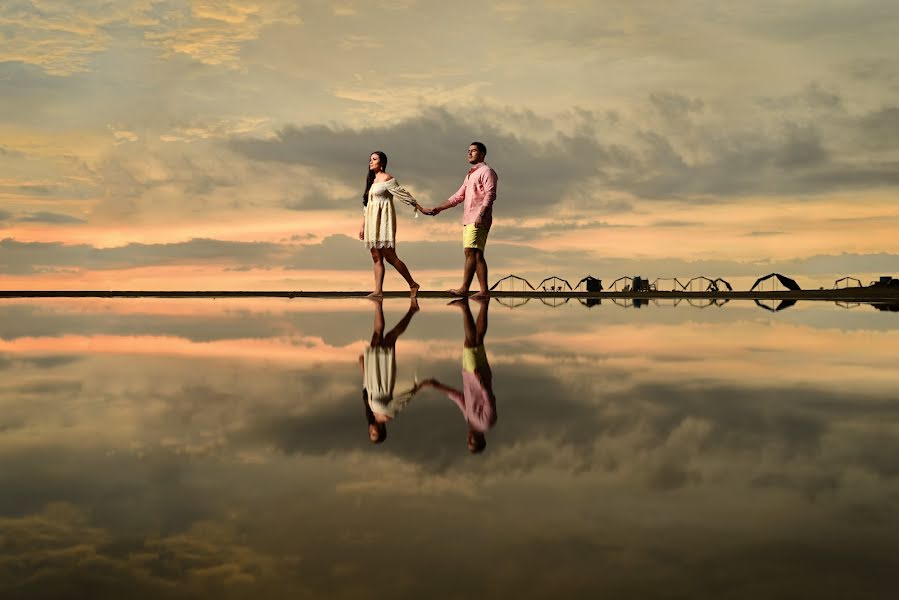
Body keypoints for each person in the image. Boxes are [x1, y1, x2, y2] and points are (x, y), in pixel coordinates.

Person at [419, 297, 497, 453]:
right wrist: (480, 381)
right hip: (477, 376)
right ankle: (464, 306)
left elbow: (459, 398)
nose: (468, 439)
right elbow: (489, 399)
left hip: (473, 375)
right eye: (472, 442)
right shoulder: (486, 423)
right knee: (469, 343)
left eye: (468, 442)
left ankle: (484, 305)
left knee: (478, 341)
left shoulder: (470, 420)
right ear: (481, 440)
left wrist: (436, 385)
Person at [421, 142, 497, 298]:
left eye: (473, 151)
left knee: (471, 252)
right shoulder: (470, 174)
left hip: (479, 217)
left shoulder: (487, 171)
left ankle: (464, 288)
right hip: (469, 218)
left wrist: (481, 215)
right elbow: (458, 197)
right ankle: (484, 291)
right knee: (475, 254)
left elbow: (490, 194)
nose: (469, 153)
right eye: (468, 151)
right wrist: (438, 208)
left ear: (482, 154)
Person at [359, 297, 426, 443]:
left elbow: (367, 390)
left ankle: (380, 303)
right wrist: (418, 387)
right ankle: (409, 310)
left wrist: (363, 367)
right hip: (383, 373)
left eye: (370, 433)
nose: (371, 431)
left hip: (372, 372)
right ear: (381, 432)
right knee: (390, 336)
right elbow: (403, 399)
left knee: (378, 335)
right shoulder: (387, 416)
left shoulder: (372, 413)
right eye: (374, 434)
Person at [359, 151, 421, 298]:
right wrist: (362, 226)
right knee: (376, 258)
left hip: (383, 222)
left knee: (390, 256)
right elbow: (367, 206)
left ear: (382, 163)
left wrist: (417, 205)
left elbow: (401, 193)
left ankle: (413, 284)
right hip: (371, 223)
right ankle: (378, 290)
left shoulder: (387, 178)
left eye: (374, 159)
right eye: (370, 159)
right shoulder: (372, 181)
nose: (371, 162)